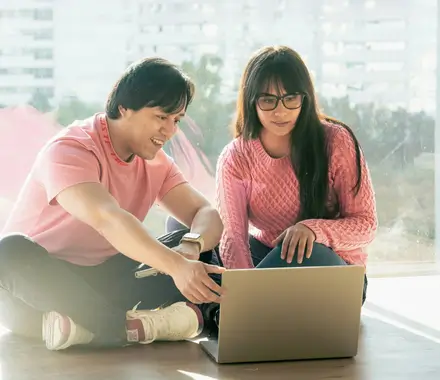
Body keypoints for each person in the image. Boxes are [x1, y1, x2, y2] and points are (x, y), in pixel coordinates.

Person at [0, 57, 226, 351]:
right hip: (39, 287)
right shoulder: (71, 149)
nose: (170, 131)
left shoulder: (156, 163)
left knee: (201, 250)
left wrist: (190, 248)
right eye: (161, 117)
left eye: (177, 120)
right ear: (125, 108)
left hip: (104, 280)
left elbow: (206, 213)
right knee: (8, 252)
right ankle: (144, 325)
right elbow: (108, 218)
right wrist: (175, 266)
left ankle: (92, 328)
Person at [214, 45, 377, 303]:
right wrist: (243, 286)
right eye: (268, 100)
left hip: (333, 269)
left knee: (306, 253)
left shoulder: (336, 142)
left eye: (291, 98)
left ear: (305, 98)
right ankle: (241, 309)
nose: (281, 111)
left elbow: (366, 225)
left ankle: (233, 312)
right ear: (251, 101)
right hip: (268, 258)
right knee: (197, 241)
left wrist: (312, 230)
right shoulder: (235, 156)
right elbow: (233, 237)